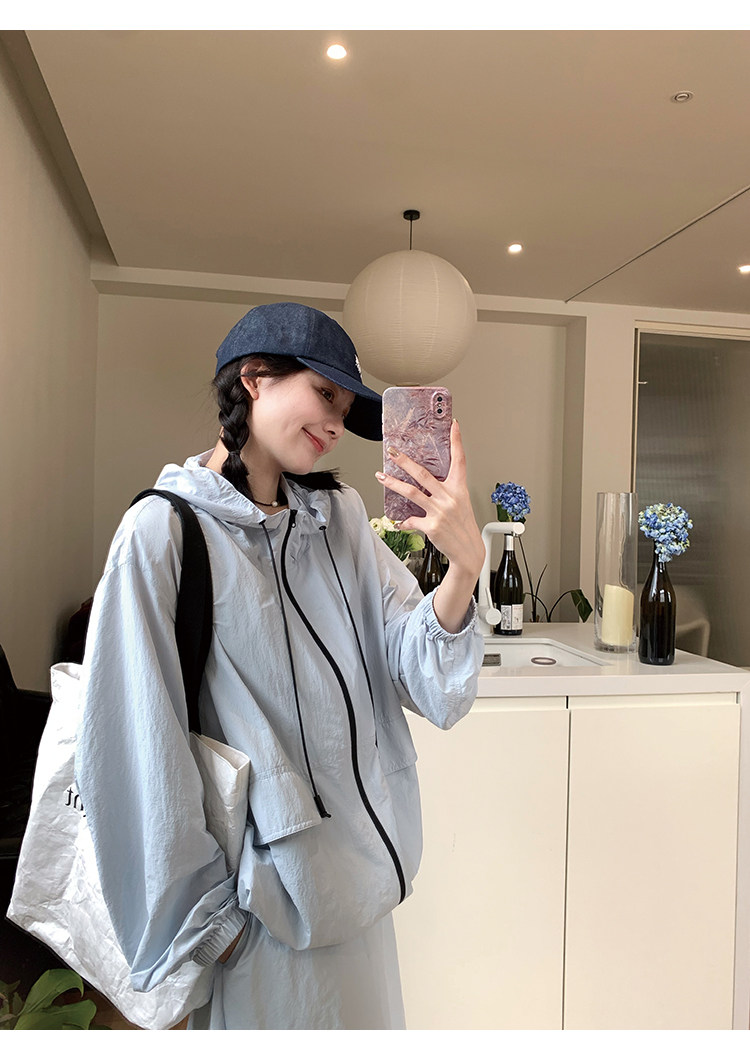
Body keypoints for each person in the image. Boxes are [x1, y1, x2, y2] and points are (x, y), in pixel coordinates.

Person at [75, 301, 485, 1030]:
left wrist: (463, 567)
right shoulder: (162, 533)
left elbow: (425, 676)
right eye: (324, 394)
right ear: (255, 378)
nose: (335, 424)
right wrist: (216, 929)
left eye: (346, 409)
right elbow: (136, 748)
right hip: (264, 920)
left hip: (366, 888)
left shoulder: (340, 518)